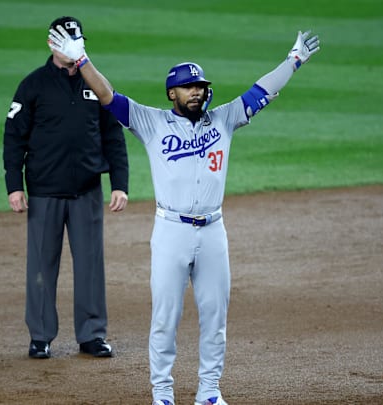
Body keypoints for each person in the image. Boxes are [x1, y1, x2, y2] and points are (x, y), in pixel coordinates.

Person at [48, 25, 319, 404]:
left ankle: (209, 393)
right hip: (171, 231)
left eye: (201, 86)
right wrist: (82, 61)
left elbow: (262, 91)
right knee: (165, 318)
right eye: (189, 87)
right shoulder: (151, 121)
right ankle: (162, 395)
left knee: (215, 318)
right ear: (172, 93)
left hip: (213, 231)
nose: (198, 91)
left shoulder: (225, 118)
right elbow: (108, 97)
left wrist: (293, 61)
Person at [3, 16, 130, 360]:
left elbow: (113, 136)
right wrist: (15, 186)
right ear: (51, 44)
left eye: (77, 42)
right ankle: (41, 337)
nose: (73, 49)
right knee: (42, 266)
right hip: (45, 191)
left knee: (90, 264)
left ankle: (92, 335)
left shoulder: (96, 85)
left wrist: (120, 184)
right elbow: (14, 138)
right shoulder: (33, 86)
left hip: (88, 189)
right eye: (65, 42)